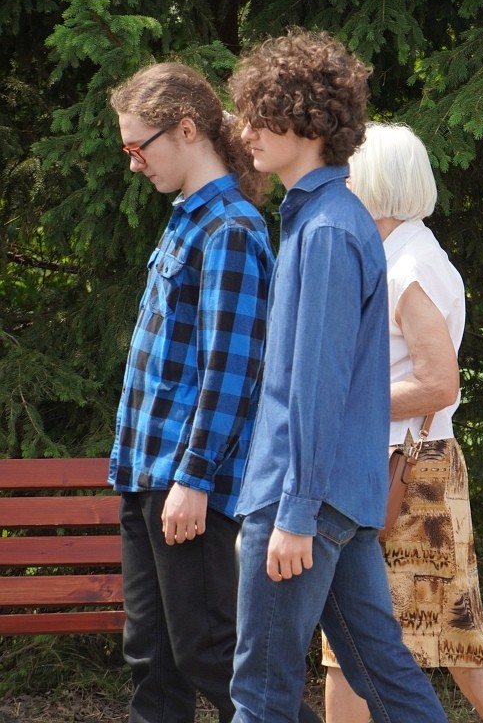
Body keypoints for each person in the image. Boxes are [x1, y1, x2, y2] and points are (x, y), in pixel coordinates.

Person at [227, 29, 446, 723]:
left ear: (308, 120)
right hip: (335, 498)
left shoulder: (324, 230)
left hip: (303, 499)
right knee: (383, 671)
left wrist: (292, 513)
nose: (244, 130)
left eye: (259, 113)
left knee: (259, 694)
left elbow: (316, 386)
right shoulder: (330, 220)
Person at [320, 124, 483, 723]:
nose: (339, 184)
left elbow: (439, 381)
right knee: (352, 639)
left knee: (456, 632)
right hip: (390, 466)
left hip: (414, 472)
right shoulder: (392, 256)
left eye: (348, 172)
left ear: (375, 182)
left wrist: (343, 401)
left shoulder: (411, 264)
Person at [107, 62, 274, 723]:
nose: (132, 164)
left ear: (184, 130)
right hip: (147, 475)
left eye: (137, 148)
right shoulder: (186, 219)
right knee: (153, 659)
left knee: (208, 651)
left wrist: (195, 480)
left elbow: (232, 375)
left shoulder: (229, 231)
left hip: (185, 483)